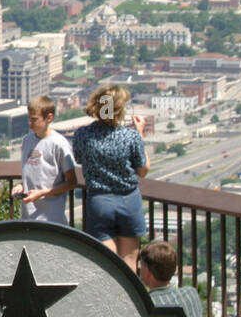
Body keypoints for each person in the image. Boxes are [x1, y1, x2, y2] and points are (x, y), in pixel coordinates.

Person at [72, 84, 148, 271]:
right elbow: (143, 170)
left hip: (99, 202)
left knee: (108, 266)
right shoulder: (130, 136)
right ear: (120, 109)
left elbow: (80, 159)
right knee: (129, 264)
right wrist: (140, 133)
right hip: (129, 200)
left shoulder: (83, 135)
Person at [10, 95, 78, 225]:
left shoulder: (59, 144)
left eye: (34, 120)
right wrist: (21, 185)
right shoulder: (26, 140)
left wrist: (42, 193)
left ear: (49, 118)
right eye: (28, 119)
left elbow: (72, 182)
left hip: (51, 217)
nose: (30, 123)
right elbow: (34, 173)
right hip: (27, 215)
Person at [137, 240, 204, 317]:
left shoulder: (146, 305)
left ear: (147, 271)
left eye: (141, 264)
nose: (139, 267)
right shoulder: (191, 293)